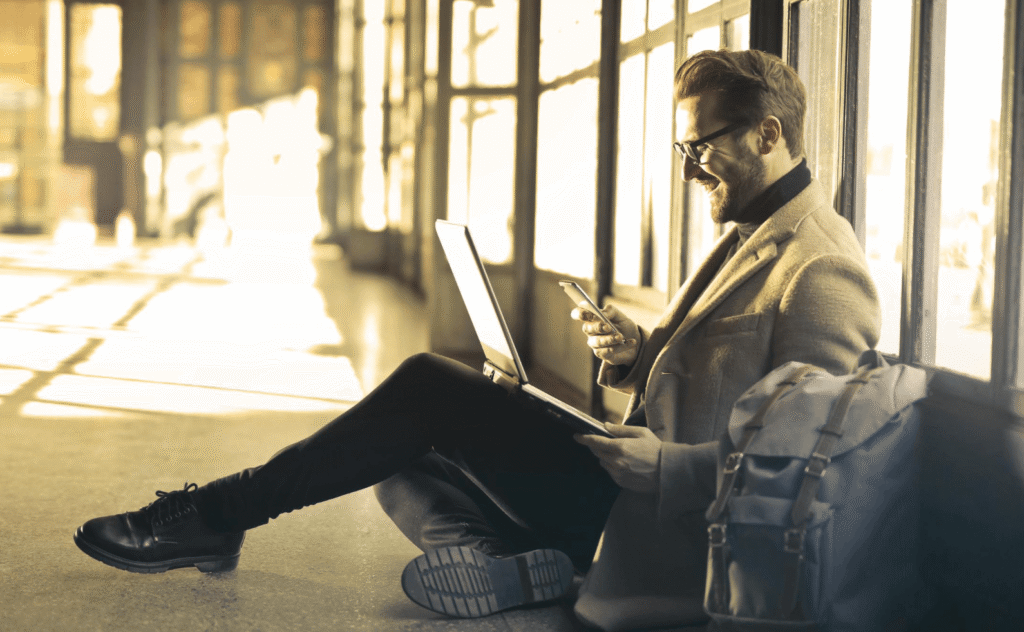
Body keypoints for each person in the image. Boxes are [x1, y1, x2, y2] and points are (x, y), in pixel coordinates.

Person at [73, 49, 879, 631]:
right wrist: (642, 353)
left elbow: (811, 468)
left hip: (662, 513)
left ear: (768, 134)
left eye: (701, 147)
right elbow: (727, 382)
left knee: (426, 388)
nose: (688, 168)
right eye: (682, 149)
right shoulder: (754, 228)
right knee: (394, 454)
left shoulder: (821, 269)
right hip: (627, 479)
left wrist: (669, 467)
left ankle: (216, 513)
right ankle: (510, 564)